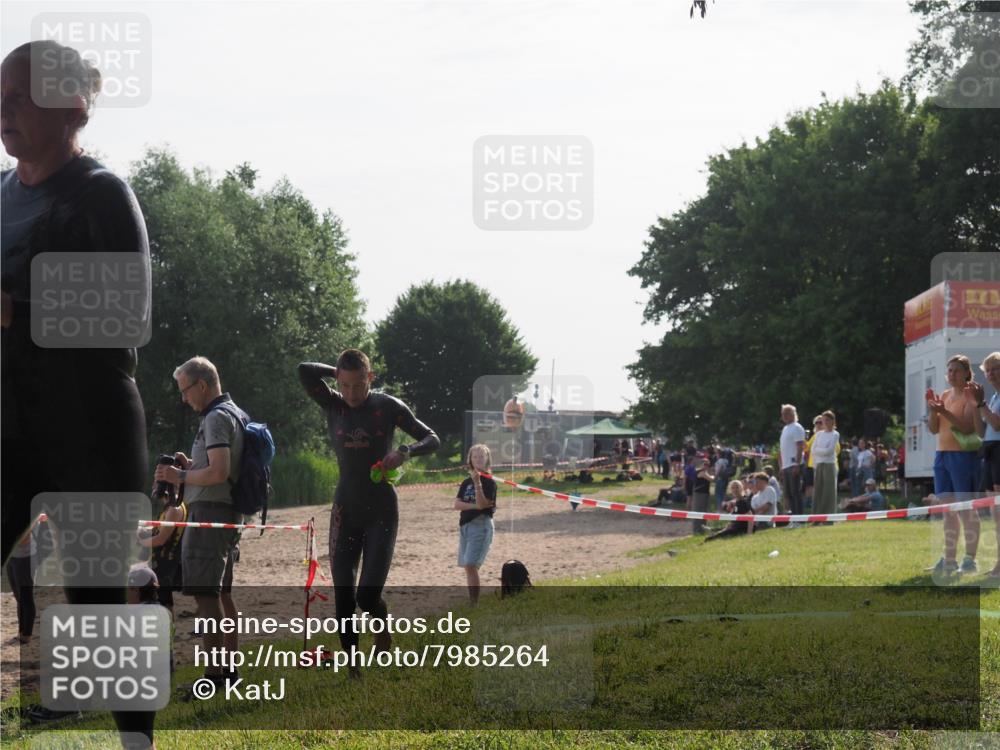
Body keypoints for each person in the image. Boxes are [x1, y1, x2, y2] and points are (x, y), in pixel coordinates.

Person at [1, 41, 155, 746]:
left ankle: (135, 741)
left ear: (70, 107)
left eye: (17, 99)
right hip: (10, 425)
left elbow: (128, 317)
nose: (2, 113)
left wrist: (16, 310)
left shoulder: (103, 194)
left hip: (91, 425)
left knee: (98, 604)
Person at [298, 351, 440, 676]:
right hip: (345, 509)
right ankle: (353, 666)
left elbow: (433, 438)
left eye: (357, 385)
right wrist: (334, 372)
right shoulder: (332, 404)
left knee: (367, 595)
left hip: (381, 511)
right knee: (344, 594)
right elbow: (304, 370)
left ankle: (382, 624)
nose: (350, 393)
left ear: (370, 378)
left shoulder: (387, 407)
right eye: (344, 385)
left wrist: (405, 451)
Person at [155, 356, 246, 693]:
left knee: (206, 597)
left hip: (210, 513)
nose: (184, 398)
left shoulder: (216, 417)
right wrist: (191, 465)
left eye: (185, 390)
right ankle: (229, 672)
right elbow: (216, 468)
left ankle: (214, 677)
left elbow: (220, 472)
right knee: (221, 594)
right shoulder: (232, 412)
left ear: (202, 385)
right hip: (222, 511)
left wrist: (180, 475)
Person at [926, 354, 981, 575]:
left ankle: (970, 559)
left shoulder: (970, 396)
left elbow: (969, 428)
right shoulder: (946, 395)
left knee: (966, 508)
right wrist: (933, 411)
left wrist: (944, 412)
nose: (951, 374)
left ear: (967, 373)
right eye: (949, 370)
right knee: (948, 510)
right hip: (942, 456)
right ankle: (949, 559)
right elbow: (933, 429)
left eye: (956, 370)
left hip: (963, 457)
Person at [968, 351, 1000, 577]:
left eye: (995, 369)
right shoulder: (994, 398)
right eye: (988, 370)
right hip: (988, 451)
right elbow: (981, 432)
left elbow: (997, 425)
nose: (991, 374)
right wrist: (975, 406)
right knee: (994, 511)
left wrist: (981, 405)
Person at [137, 478, 187, 616]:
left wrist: (140, 541)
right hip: (161, 559)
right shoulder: (170, 506)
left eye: (156, 482)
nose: (153, 485)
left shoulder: (174, 508)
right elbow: (161, 530)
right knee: (162, 599)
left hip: (166, 560)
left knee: (164, 602)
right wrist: (145, 531)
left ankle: (168, 634)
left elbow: (161, 539)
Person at [454, 444, 496, 604]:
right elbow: (457, 504)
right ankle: (473, 600)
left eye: (481, 456)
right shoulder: (466, 482)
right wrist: (474, 506)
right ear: (470, 460)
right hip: (465, 525)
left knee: (471, 564)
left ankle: (474, 603)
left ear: (487, 459)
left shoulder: (489, 482)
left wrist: (478, 483)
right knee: (467, 566)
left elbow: (483, 503)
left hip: (481, 525)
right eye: (475, 456)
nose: (478, 459)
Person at [779, 404, 806, 522]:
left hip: (794, 465)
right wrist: (781, 466)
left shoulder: (797, 427)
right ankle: (793, 518)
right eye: (783, 413)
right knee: (789, 494)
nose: (784, 416)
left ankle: (799, 519)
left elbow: (800, 447)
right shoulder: (785, 429)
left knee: (796, 492)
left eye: (787, 413)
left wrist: (797, 463)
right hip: (786, 466)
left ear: (793, 414)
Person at [811, 410, 840, 516]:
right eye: (823, 420)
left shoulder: (835, 434)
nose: (825, 422)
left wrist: (820, 450)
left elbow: (830, 451)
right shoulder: (818, 435)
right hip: (819, 464)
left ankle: (829, 516)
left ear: (832, 421)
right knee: (818, 491)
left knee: (829, 491)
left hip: (829, 465)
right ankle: (817, 516)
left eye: (827, 420)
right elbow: (813, 450)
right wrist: (822, 450)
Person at [691, 458, 713, 534]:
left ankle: (702, 529)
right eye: (705, 464)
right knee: (698, 512)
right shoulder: (700, 472)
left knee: (703, 512)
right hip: (699, 494)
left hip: (704, 493)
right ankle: (697, 530)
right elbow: (711, 479)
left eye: (708, 464)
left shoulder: (705, 472)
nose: (706, 466)